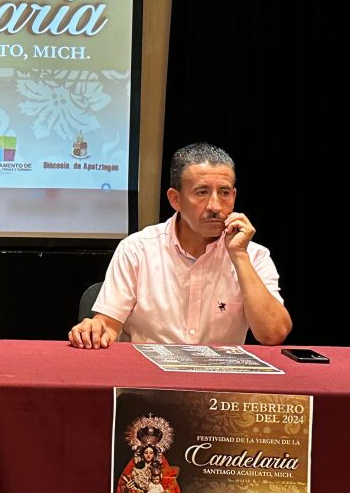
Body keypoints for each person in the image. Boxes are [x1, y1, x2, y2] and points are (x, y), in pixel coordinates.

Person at [69, 142, 291, 348]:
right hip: (148, 373)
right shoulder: (137, 249)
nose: (215, 206)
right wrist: (95, 328)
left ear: (233, 196)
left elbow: (273, 334)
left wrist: (239, 256)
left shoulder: (254, 255)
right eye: (202, 192)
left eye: (224, 193)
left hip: (220, 375)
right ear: (175, 199)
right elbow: (108, 326)